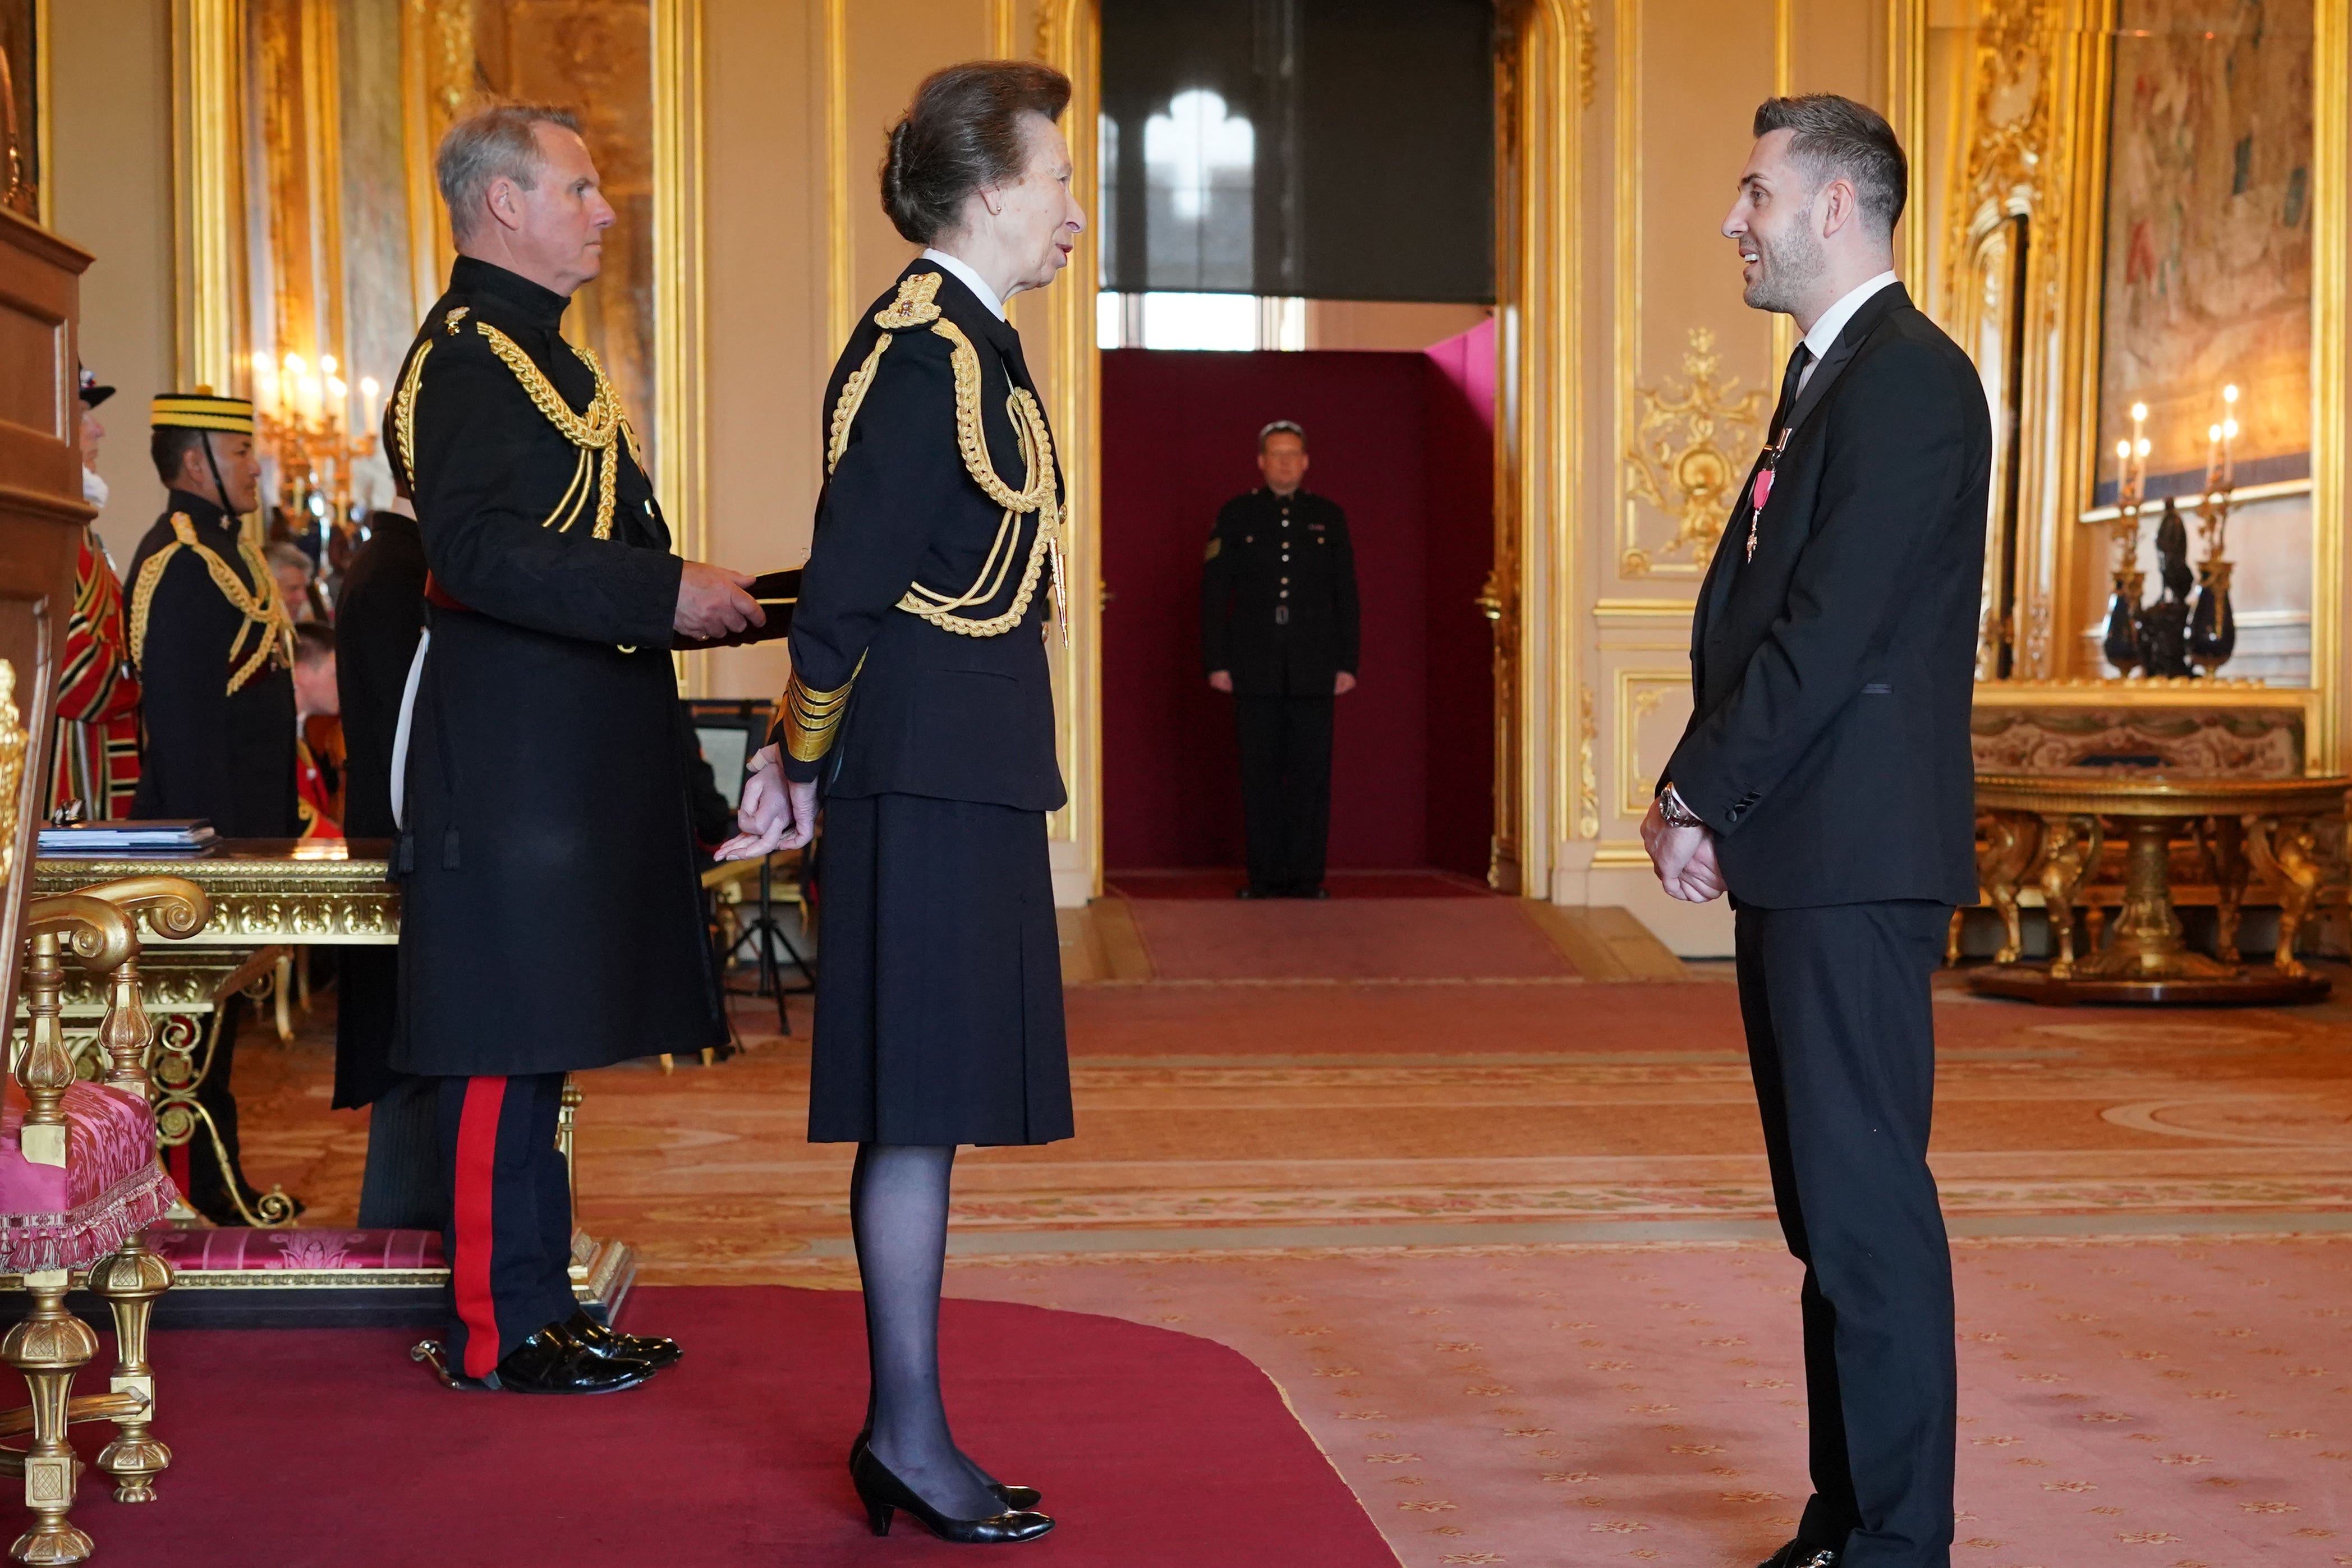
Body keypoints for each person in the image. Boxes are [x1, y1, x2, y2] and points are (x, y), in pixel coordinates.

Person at [722, 59, 1081, 1546]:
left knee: (929, 1112)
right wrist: (796, 753)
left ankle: (913, 1426)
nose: (1072, 209)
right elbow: (853, 575)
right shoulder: (921, 349)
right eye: (1059, 179)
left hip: (967, 764)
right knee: (915, 1111)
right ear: (991, 189)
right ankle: (909, 1436)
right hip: (921, 771)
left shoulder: (975, 342)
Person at [1641, 96, 1989, 1568]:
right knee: (1826, 1214)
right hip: (1811, 846)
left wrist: (1699, 789)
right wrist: (1718, 791)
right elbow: (1781, 620)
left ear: (1839, 205)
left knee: (1866, 1215)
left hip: (1854, 858)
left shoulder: (1909, 382)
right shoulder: (1831, 382)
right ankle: (1850, 1512)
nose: (1738, 219)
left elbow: (1833, 628)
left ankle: (1902, 1540)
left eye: (1758, 191)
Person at [391, 101, 762, 1396]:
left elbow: (583, 557)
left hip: (565, 751)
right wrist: (660, 592)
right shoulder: (468, 358)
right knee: (502, 1037)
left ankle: (546, 1301)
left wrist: (708, 604)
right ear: (504, 202)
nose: (603, 212)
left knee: (540, 1038)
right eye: (580, 189)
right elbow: (478, 554)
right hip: (507, 759)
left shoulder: (536, 353)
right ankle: (500, 1331)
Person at [126, 390, 305, 1227]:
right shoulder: (179, 560)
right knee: (188, 1036)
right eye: (240, 456)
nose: (254, 466)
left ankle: (216, 1180)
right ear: (195, 460)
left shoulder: (227, 553)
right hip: (202, 850)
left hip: (246, 840)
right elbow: (187, 726)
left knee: (219, 1030)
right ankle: (188, 1194)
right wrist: (215, 858)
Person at [332, 496, 440, 1230]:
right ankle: (394, 1246)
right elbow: (417, 727)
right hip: (407, 841)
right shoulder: (401, 573)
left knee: (415, 1055)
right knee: (410, 1058)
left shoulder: (397, 561)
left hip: (398, 835)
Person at [1200, 420, 1358, 899]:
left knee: (1311, 775)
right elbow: (1214, 594)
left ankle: (1307, 878)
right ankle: (1265, 877)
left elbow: (1345, 595)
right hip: (1255, 664)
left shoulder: (1328, 517)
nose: (1285, 462)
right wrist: (1217, 662)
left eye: (1293, 454)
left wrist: (1347, 662)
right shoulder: (1237, 515)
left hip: (1314, 667)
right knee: (1260, 774)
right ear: (1261, 461)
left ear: (1306, 461)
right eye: (1276, 454)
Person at [48, 364, 142, 821]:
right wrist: (151, 681)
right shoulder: (40, 532)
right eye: (84, 415)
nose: (99, 430)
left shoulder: (82, 535)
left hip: (98, 764)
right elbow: (72, 670)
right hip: (59, 777)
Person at [291, 622, 342, 836]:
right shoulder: (276, 745)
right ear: (301, 674)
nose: (341, 685)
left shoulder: (303, 740)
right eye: (334, 675)